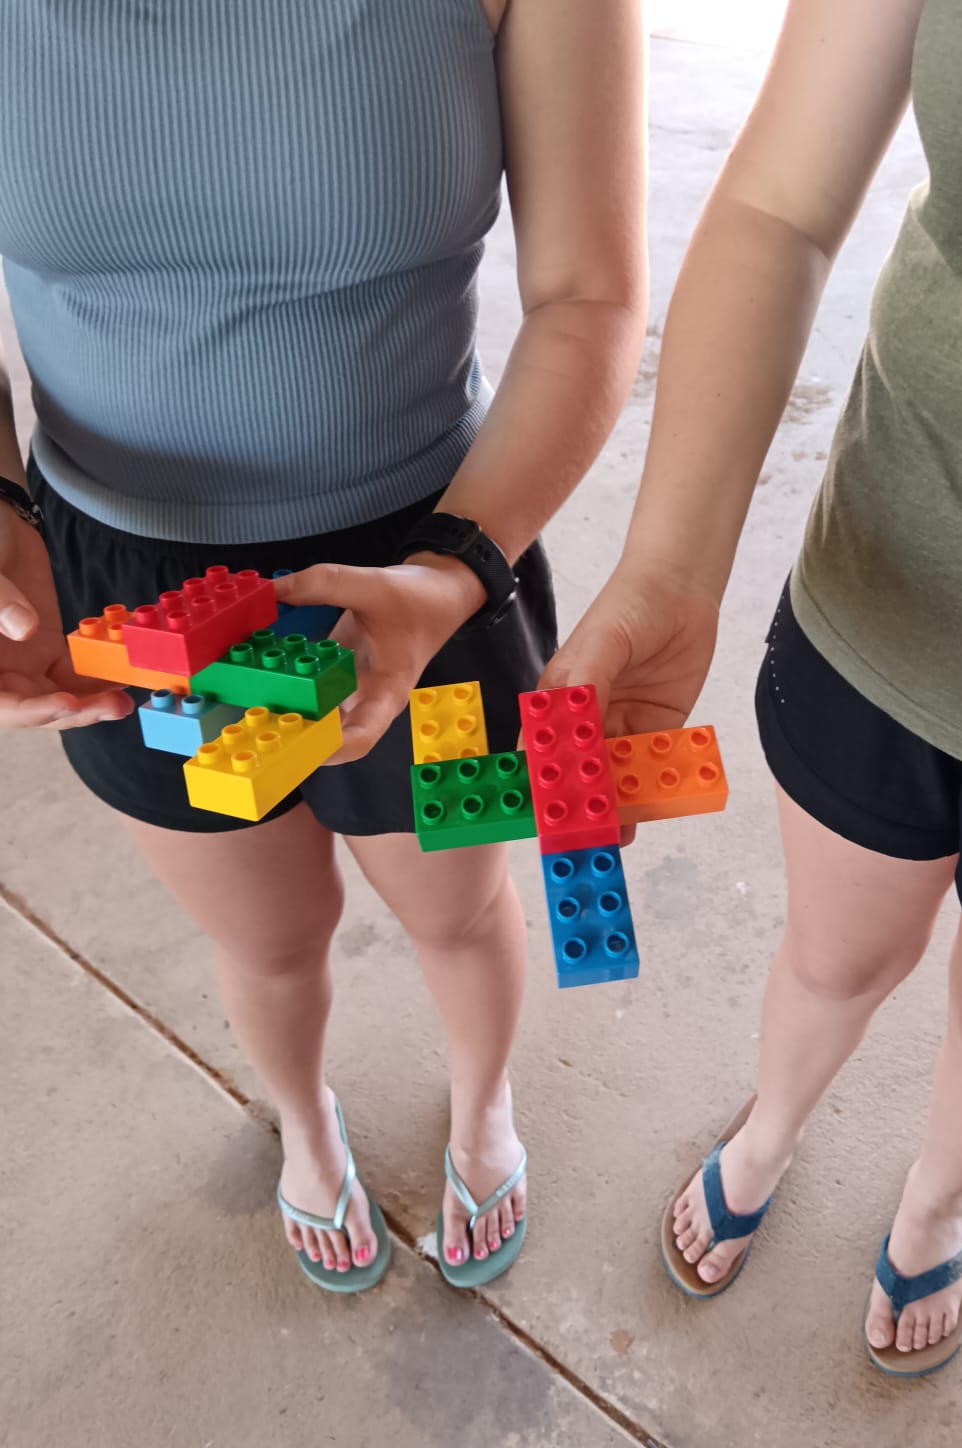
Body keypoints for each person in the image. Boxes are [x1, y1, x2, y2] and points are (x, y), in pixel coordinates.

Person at [0, 0, 646, 1293]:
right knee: (268, 937)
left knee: (457, 906)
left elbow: (589, 293)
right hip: (119, 584)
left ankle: (483, 1108)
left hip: (431, 558)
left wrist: (451, 573)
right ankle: (304, 1124)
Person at [541, 0, 962, 1375]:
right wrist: (667, 568)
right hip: (883, 594)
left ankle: (936, 1194)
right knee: (833, 954)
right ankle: (770, 1129)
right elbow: (780, 204)